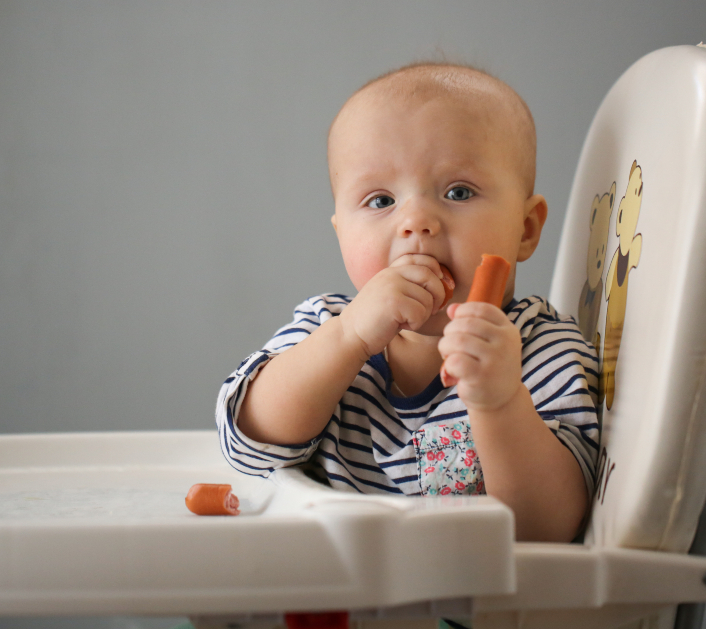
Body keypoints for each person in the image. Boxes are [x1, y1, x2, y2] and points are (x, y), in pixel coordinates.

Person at [216, 63, 599, 542]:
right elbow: (248, 444)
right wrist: (349, 337)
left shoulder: (543, 352)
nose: (416, 221)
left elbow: (548, 531)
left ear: (525, 229)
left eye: (458, 192)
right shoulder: (327, 326)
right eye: (380, 201)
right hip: (332, 580)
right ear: (341, 232)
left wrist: (500, 401)